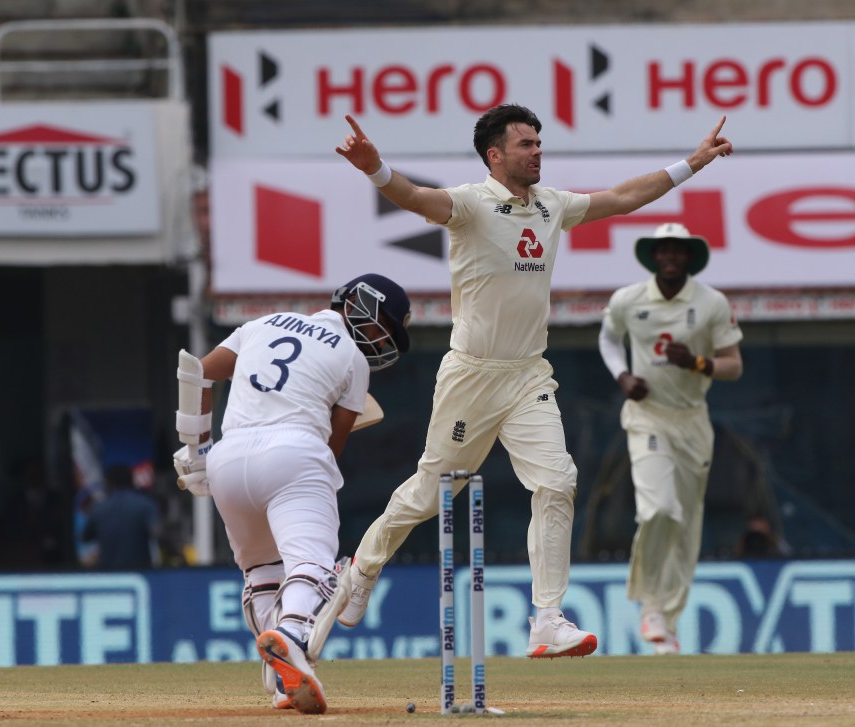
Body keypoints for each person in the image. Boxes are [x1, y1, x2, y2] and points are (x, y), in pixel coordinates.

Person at [334, 104, 733, 658]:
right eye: (526, 144)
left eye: (539, 142)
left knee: (557, 481)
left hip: (528, 375)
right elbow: (416, 199)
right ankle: (361, 568)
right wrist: (375, 168)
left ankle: (547, 618)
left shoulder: (552, 205)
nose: (538, 151)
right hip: (471, 375)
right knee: (431, 493)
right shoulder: (472, 203)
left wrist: (692, 163)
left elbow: (621, 198)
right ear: (496, 155)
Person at [172, 273, 411, 714]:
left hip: (228, 457)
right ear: (363, 307)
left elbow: (198, 372)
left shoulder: (263, 323)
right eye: (386, 328)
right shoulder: (353, 361)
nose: (382, 340)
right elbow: (330, 447)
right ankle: (293, 636)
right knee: (315, 565)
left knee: (262, 570)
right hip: (295, 453)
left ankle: (286, 674)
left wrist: (197, 452)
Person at [598, 222, 744, 655]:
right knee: (659, 509)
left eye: (677, 251)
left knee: (685, 523)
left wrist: (698, 363)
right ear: (653, 257)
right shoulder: (628, 299)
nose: (670, 257)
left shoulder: (711, 302)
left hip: (693, 420)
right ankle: (651, 606)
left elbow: (734, 364)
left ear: (689, 258)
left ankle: (668, 626)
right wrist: (623, 376)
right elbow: (608, 340)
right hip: (647, 417)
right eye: (663, 250)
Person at [81, 463, 160, 569]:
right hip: (140, 572)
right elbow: (157, 532)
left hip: (108, 574)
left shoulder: (99, 508)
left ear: (109, 483)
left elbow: (85, 537)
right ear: (131, 481)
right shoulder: (145, 504)